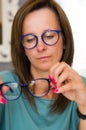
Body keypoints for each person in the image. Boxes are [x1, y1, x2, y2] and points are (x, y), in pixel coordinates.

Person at [0, 0, 86, 129]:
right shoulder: (4, 86)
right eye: (30, 39)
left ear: (65, 40)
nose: (40, 47)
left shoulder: (82, 88)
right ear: (23, 48)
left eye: (49, 36)